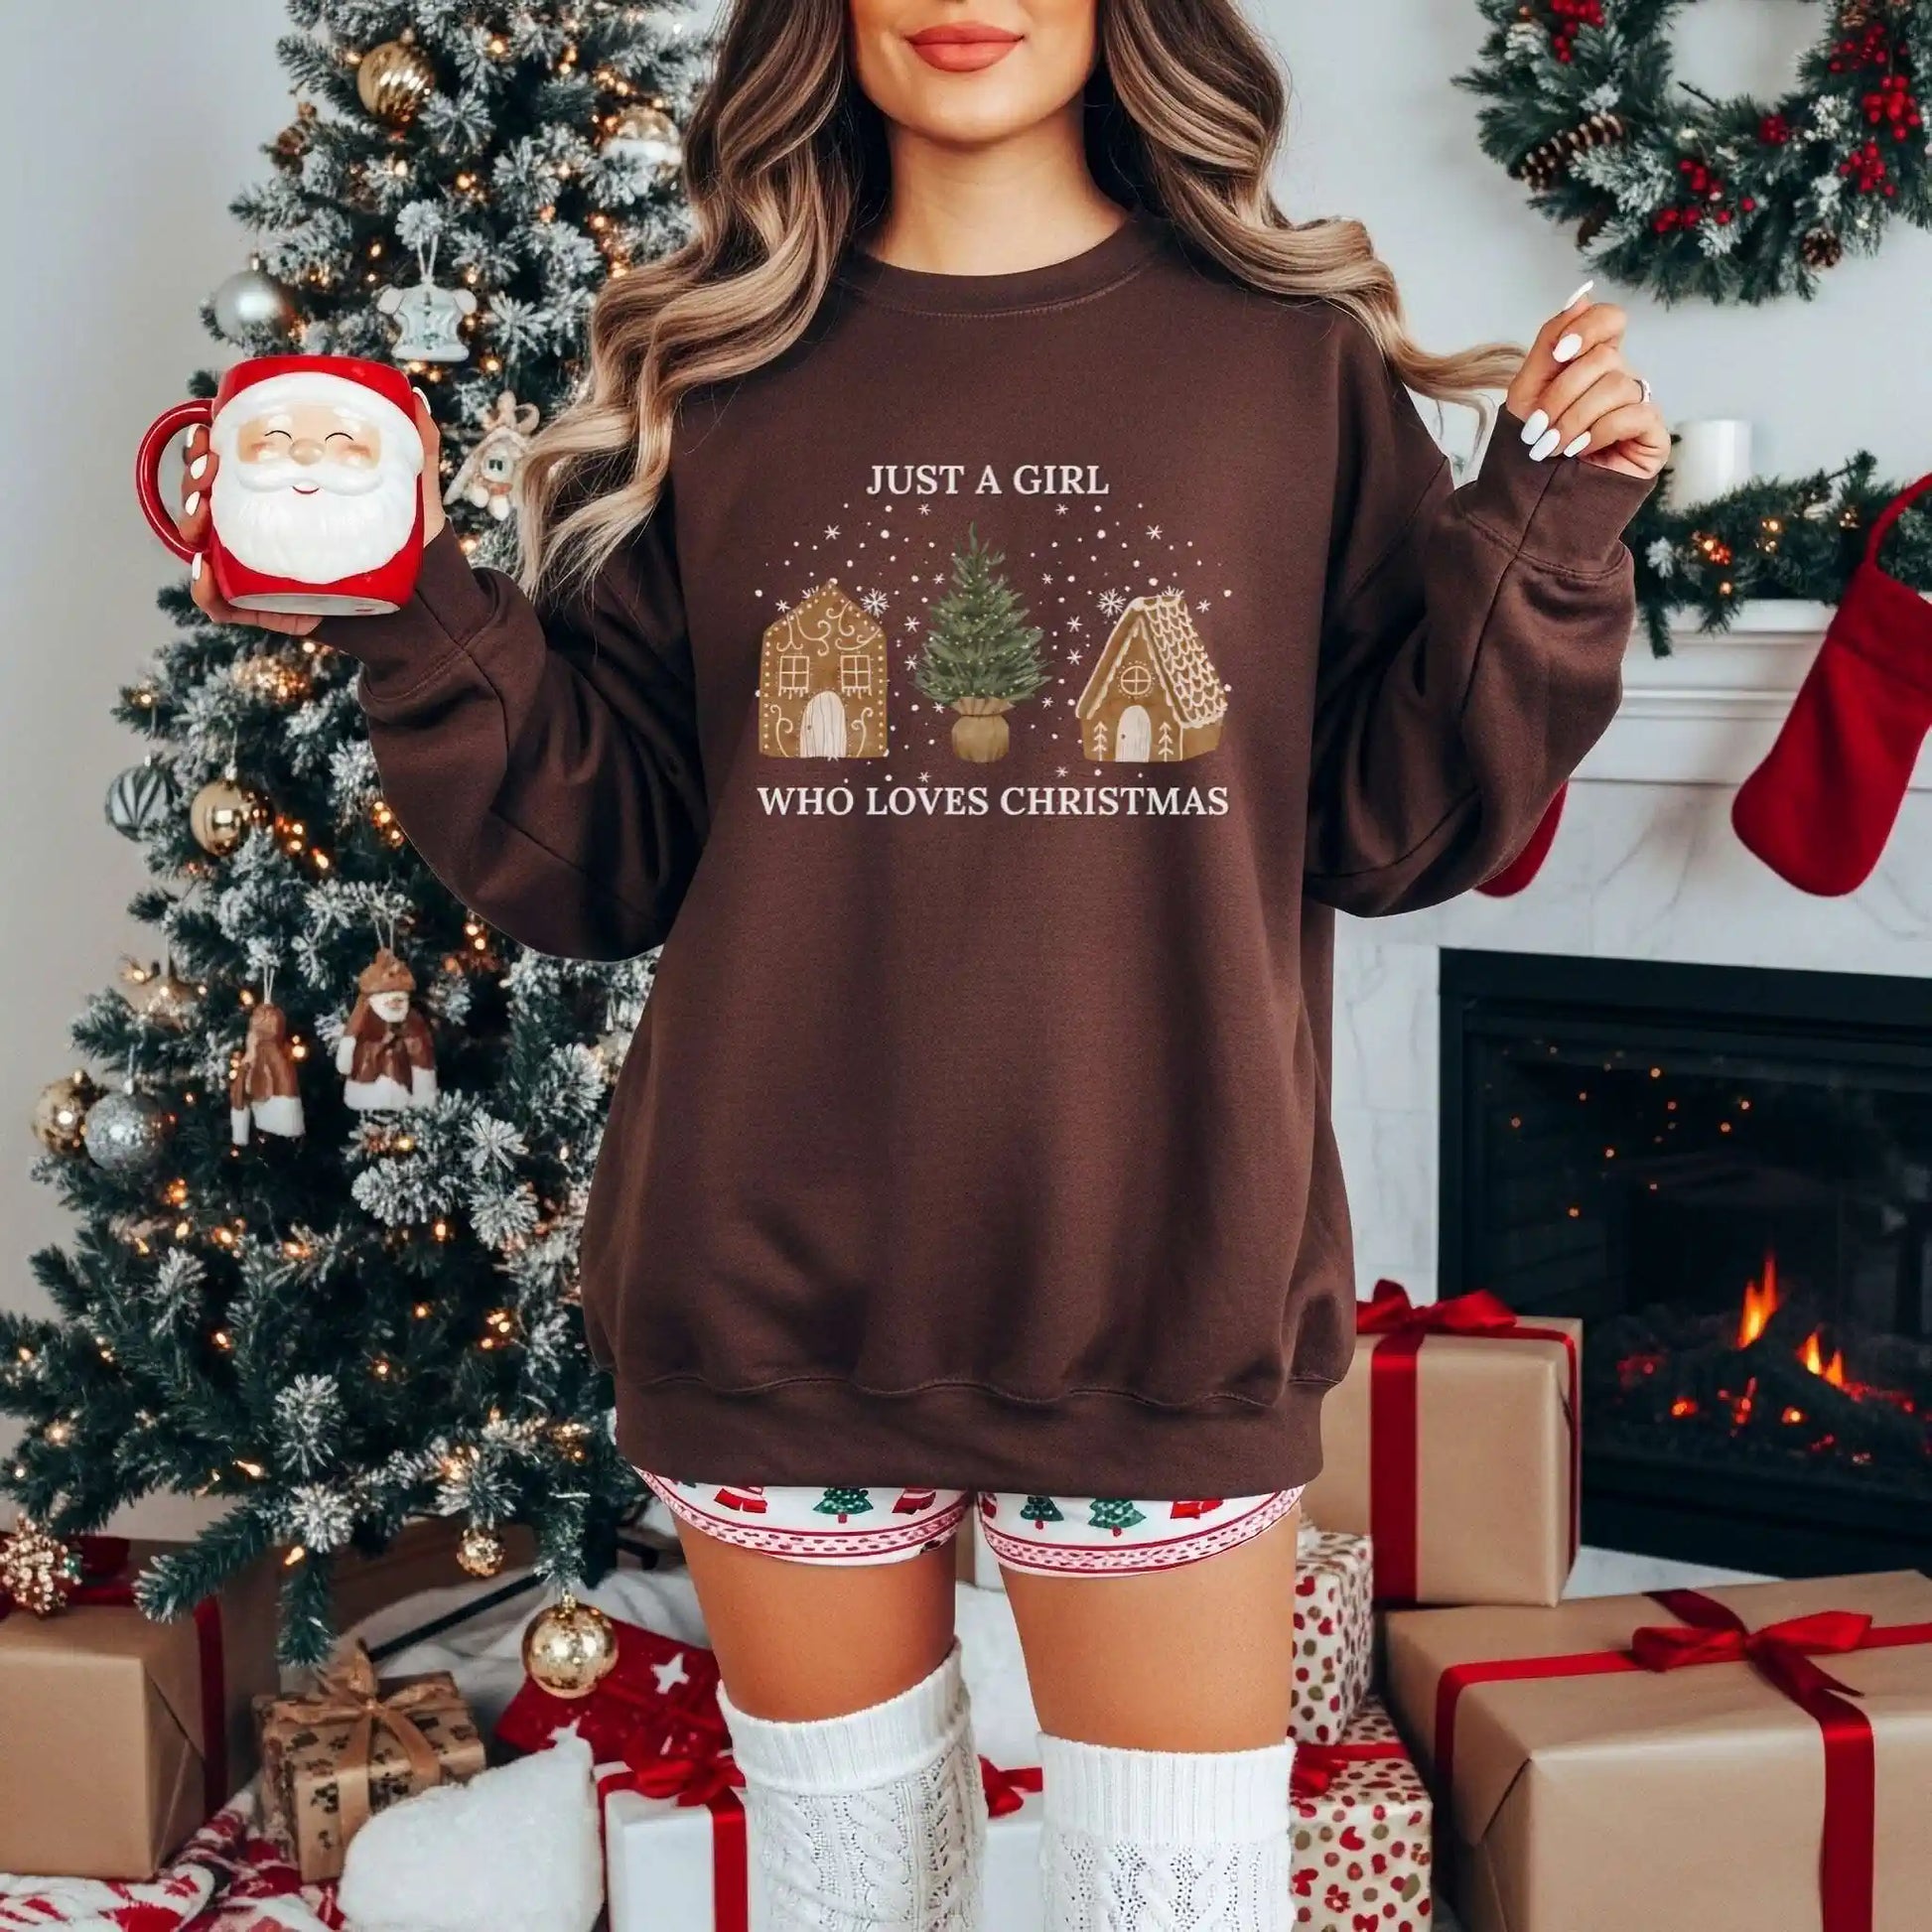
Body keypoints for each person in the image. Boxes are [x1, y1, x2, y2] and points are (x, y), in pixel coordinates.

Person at [177, 2, 1667, 1925]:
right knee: (853, 1893)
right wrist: (405, 613)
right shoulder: (715, 367)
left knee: (1174, 1896)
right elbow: (600, 850)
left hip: (1157, 1266)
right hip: (773, 1272)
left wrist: (1546, 526)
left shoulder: (1284, 363)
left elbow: (1393, 822)